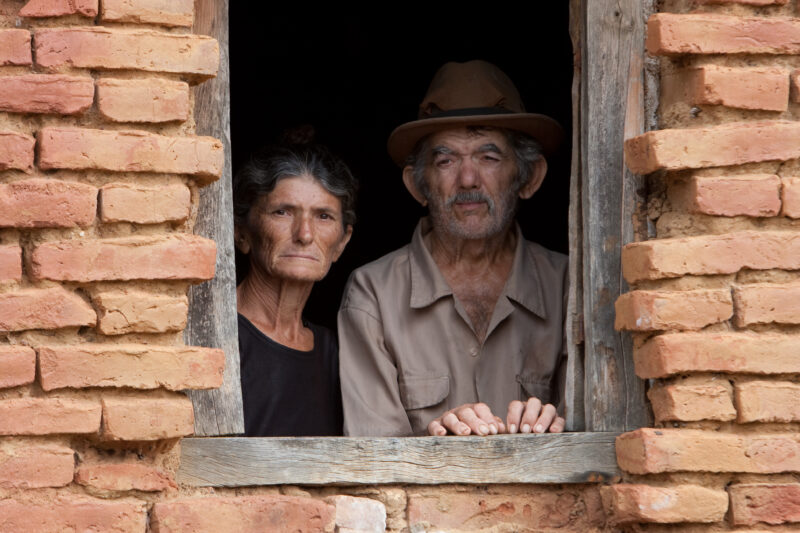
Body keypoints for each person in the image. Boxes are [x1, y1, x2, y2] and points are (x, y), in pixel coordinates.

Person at [338, 60, 568, 437]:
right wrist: (436, 446)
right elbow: (373, 460)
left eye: (488, 157)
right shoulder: (373, 293)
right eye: (446, 160)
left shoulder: (567, 286)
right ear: (418, 185)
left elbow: (599, 435)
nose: (467, 178)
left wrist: (556, 428)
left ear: (528, 177)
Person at [233, 139, 357, 436]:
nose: (304, 234)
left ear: (341, 243)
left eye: (323, 216)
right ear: (241, 233)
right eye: (283, 212)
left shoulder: (340, 354)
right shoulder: (212, 335)